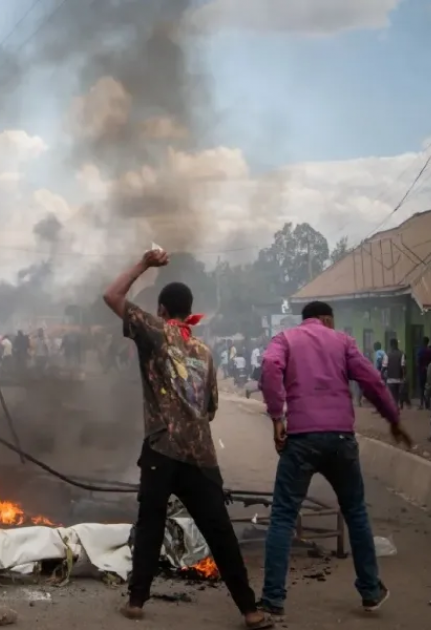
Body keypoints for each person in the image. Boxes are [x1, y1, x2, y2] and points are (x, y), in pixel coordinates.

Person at [103, 249, 272, 630]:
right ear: (188, 310)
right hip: (200, 453)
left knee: (150, 523)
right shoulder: (205, 352)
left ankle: (136, 602)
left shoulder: (153, 330)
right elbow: (210, 408)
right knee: (220, 531)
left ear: (162, 310)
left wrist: (144, 264)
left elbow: (111, 296)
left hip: (162, 448)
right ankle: (250, 610)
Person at [258, 301, 411, 616]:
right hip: (341, 438)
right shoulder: (343, 341)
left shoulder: (285, 339)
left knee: (284, 517)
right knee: (355, 512)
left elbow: (270, 367)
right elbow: (371, 380)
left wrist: (277, 417)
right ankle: (370, 591)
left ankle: (273, 599)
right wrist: (393, 418)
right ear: (327, 319)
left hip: (300, 439)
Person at [383, 338, 406, 409]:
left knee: (392, 395)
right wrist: (404, 376)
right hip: (399, 378)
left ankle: (395, 408)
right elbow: (403, 366)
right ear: (397, 344)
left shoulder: (387, 354)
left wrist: (381, 374)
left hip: (390, 379)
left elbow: (384, 366)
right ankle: (396, 407)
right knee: (397, 395)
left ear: (390, 345)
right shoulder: (401, 354)